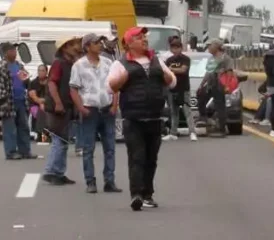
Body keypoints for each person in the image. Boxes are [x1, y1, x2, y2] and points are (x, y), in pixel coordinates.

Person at [108, 27, 177, 211]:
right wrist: (125, 76)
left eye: (144, 37)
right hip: (134, 119)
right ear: (129, 43)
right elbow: (111, 87)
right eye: (139, 37)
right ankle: (136, 194)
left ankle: (148, 194)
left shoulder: (156, 60)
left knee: (151, 159)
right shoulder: (120, 64)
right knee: (137, 157)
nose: (144, 40)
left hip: (155, 117)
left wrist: (165, 75)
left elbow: (173, 81)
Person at [70, 33, 121, 194]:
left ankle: (109, 181)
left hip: (107, 109)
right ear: (87, 46)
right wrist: (81, 108)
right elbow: (74, 89)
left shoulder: (108, 63)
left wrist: (114, 105)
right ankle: (90, 181)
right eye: (96, 42)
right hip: (89, 110)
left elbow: (115, 85)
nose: (100, 45)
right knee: (88, 148)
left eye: (100, 42)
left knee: (110, 148)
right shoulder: (78, 66)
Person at [42, 36, 82, 186]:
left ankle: (58, 171)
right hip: (57, 107)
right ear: (65, 48)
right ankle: (51, 171)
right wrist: (58, 102)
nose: (76, 47)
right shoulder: (59, 63)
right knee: (59, 139)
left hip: (65, 107)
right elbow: (52, 83)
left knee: (63, 140)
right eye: (72, 45)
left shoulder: (70, 63)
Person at [0, 42, 35, 160]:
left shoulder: (19, 65)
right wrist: (3, 102)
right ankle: (11, 152)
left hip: (21, 101)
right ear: (6, 53)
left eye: (15, 51)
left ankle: (25, 151)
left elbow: (26, 81)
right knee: (10, 129)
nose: (15, 53)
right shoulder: (2, 67)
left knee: (24, 127)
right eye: (12, 51)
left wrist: (28, 83)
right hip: (9, 103)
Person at [162, 36, 195, 142]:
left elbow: (183, 70)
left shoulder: (186, 59)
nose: (175, 50)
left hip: (184, 89)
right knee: (174, 112)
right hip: (172, 89)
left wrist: (171, 69)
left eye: (177, 47)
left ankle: (192, 132)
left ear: (181, 48)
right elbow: (165, 73)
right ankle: (173, 133)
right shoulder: (169, 60)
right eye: (173, 48)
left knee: (187, 111)